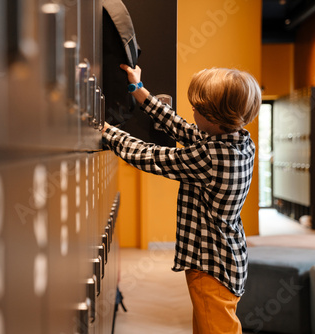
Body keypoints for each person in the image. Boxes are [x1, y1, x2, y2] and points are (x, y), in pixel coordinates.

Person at [102, 64, 261, 334]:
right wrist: (138, 90)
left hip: (212, 266)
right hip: (221, 259)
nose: (193, 113)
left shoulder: (213, 157)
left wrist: (107, 132)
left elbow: (153, 157)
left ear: (213, 115)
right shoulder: (236, 140)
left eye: (197, 109)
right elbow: (182, 129)